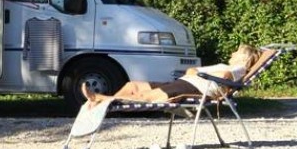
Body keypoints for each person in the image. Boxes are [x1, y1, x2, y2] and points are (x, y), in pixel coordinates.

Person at [81, 44, 262, 107]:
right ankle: (107, 103)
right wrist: (196, 72)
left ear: (243, 57)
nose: (232, 53)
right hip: (187, 81)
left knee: (147, 97)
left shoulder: (239, 69)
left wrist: (199, 73)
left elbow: (225, 75)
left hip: (196, 88)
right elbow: (192, 71)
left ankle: (101, 99)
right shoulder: (229, 65)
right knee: (133, 86)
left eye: (236, 52)